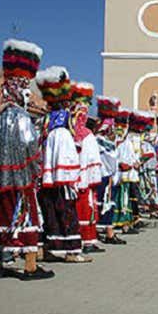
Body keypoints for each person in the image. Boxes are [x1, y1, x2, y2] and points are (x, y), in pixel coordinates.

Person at [0, 39, 54, 279]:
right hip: (20, 180)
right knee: (27, 217)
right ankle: (29, 266)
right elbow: (31, 145)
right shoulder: (20, 116)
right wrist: (36, 169)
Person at [36, 67, 89, 263]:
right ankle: (71, 251)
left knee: (51, 208)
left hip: (49, 175)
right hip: (63, 178)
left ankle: (53, 248)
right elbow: (74, 147)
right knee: (66, 209)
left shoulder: (47, 122)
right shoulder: (66, 125)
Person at [71, 82, 104, 253]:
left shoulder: (74, 132)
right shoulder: (84, 135)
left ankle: (85, 239)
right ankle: (85, 240)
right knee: (84, 208)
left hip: (76, 180)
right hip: (82, 181)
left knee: (84, 208)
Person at [94, 96, 125, 245]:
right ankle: (107, 233)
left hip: (103, 174)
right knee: (104, 203)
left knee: (104, 203)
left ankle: (106, 232)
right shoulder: (102, 140)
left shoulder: (99, 139)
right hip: (104, 175)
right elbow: (111, 159)